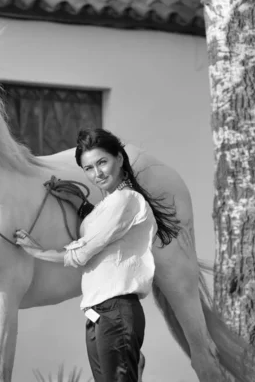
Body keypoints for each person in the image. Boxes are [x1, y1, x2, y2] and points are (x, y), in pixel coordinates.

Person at [15, 128, 180, 382]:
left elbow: (84, 252)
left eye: (102, 162)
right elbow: (99, 225)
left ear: (120, 159)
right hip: (98, 316)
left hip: (117, 313)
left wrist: (37, 251)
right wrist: (79, 203)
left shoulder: (128, 200)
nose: (97, 173)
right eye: (89, 168)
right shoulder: (108, 206)